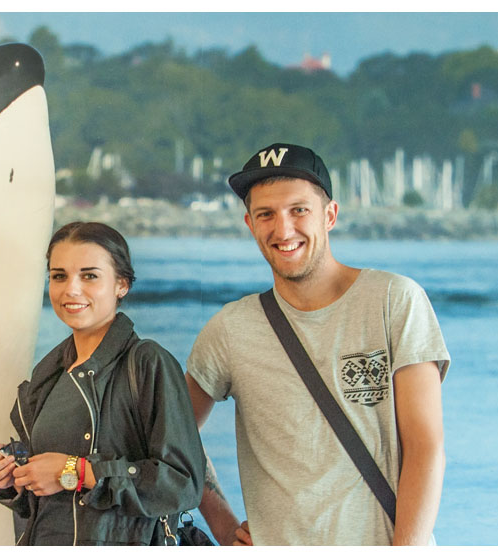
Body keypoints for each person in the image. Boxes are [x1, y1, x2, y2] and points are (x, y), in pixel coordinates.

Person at [186, 143, 450, 545]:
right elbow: (174, 436)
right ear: (250, 224)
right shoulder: (230, 329)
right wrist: (223, 526)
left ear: (330, 215)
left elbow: (425, 447)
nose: (283, 230)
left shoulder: (394, 301)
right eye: (266, 215)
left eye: (299, 210)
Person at [0, 221, 205, 545]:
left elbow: (181, 484)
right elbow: (45, 502)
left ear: (121, 285)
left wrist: (73, 471)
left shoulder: (148, 363)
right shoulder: (47, 376)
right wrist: (15, 480)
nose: (71, 289)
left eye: (89, 276)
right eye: (59, 276)